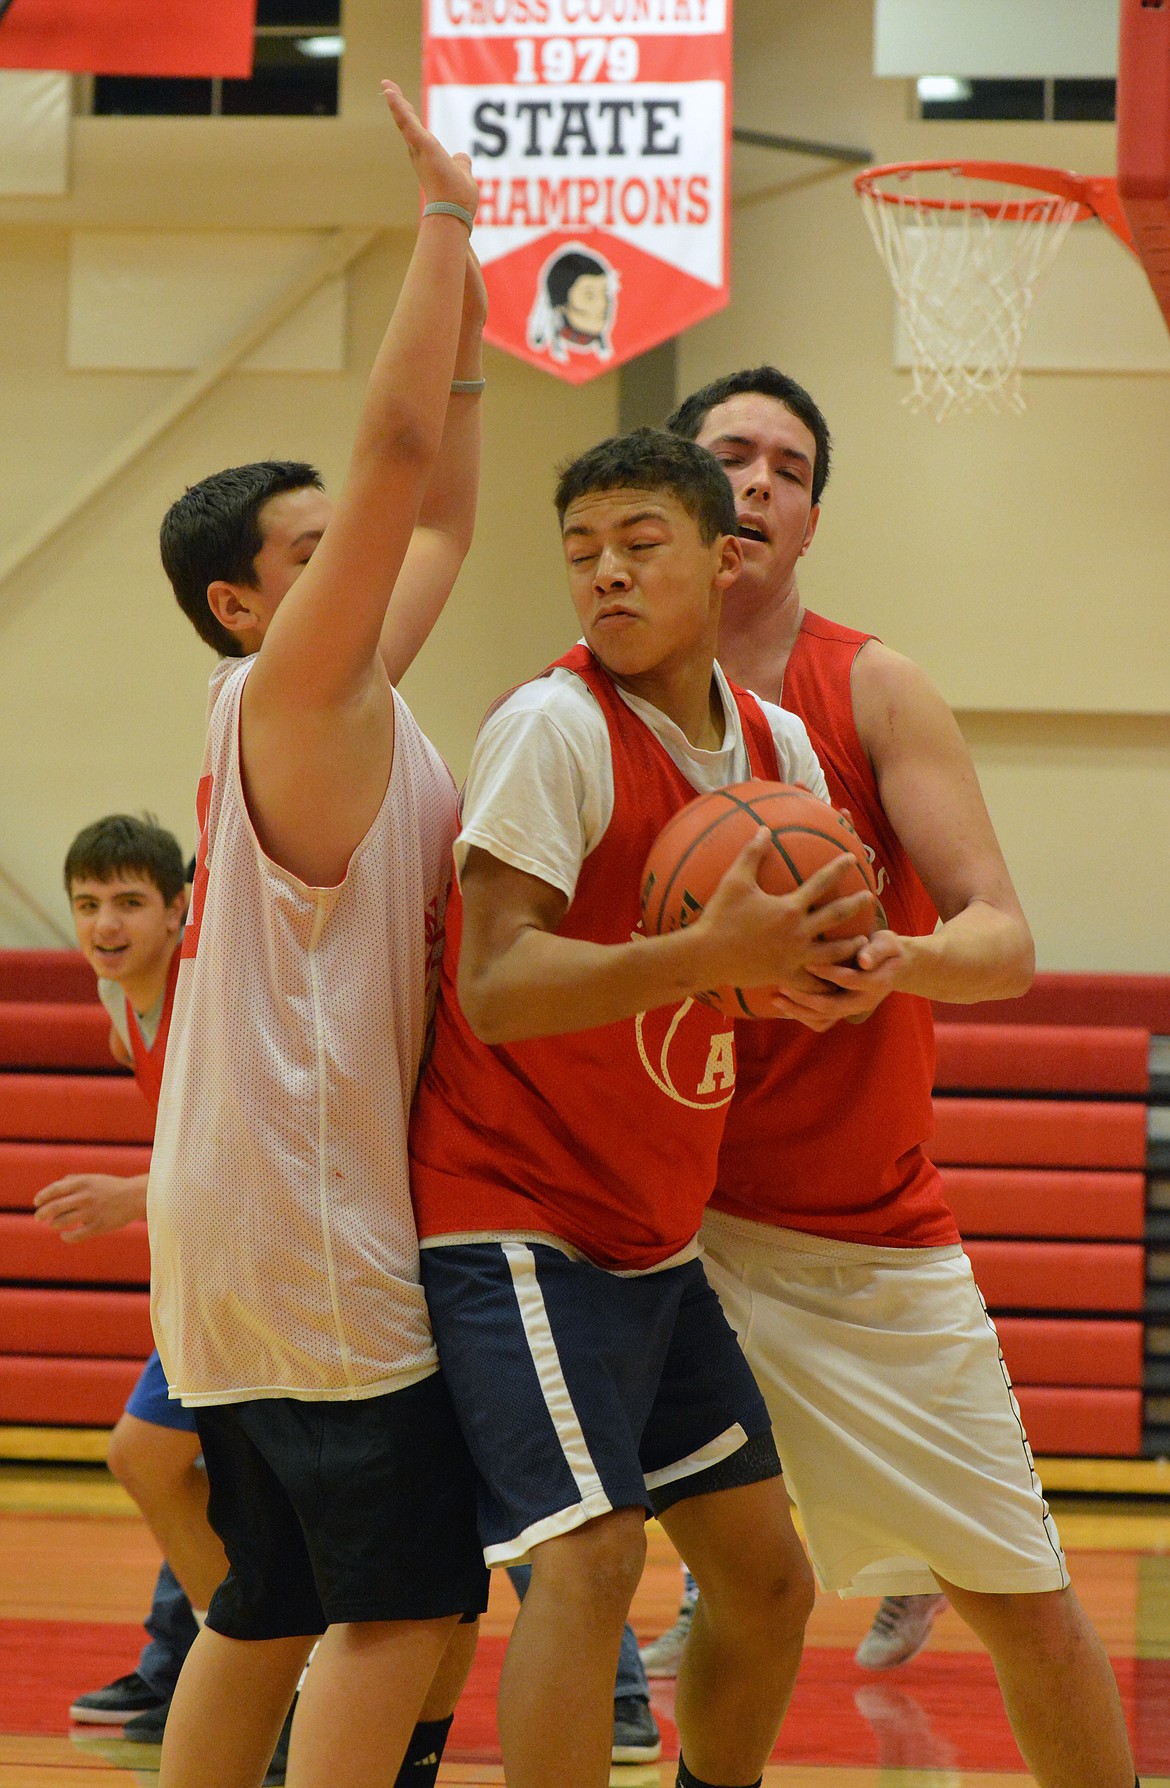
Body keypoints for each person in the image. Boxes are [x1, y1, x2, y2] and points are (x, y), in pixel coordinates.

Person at [657, 366, 1138, 1788]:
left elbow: (1000, 940)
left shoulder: (868, 684)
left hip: (850, 1230)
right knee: (737, 1591)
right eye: (728, 457)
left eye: (786, 469)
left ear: (809, 520)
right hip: (646, 1224)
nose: (754, 484)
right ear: (671, 492)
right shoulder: (582, 705)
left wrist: (890, 962)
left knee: (1028, 1608)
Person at [408, 426, 879, 1788]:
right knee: (594, 1554)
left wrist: (823, 975)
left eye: (638, 545)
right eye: (580, 553)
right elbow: (491, 987)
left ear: (727, 561)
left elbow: (793, 952)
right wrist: (705, 959)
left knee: (766, 1579)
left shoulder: (774, 741)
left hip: (651, 1227)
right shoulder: (549, 730)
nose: (604, 576)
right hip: (510, 1212)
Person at [146, 86, 490, 1788]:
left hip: (237, 1230)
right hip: (308, 1224)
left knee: (264, 1603)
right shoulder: (290, 688)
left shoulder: (336, 694)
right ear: (239, 599)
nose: (342, 552)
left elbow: (439, 522)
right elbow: (401, 468)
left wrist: (479, 300)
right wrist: (441, 218)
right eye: (305, 549)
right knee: (400, 1612)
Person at [36, 817, 218, 1741]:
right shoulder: (124, 1004)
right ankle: (189, 1664)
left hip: (259, 1264)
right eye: (89, 904)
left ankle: (244, 1668)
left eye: (130, 903)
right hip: (210, 1265)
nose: (107, 924)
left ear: (181, 909)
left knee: (150, 1458)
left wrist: (134, 1193)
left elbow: (244, 1150)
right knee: (179, 1469)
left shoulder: (206, 994)